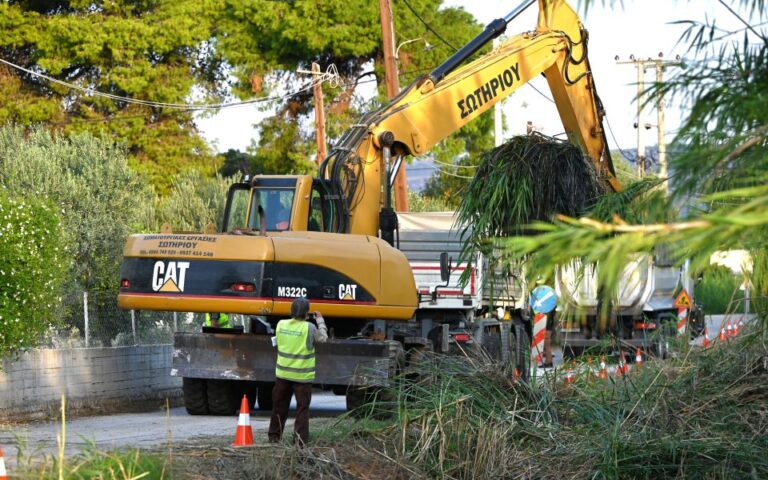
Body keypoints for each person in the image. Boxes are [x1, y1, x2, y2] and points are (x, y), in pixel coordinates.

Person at [268, 298, 327, 446]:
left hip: (282, 375)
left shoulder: (281, 324)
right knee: (302, 410)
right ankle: (300, 443)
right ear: (307, 314)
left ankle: (274, 438)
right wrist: (320, 321)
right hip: (302, 376)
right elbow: (323, 339)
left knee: (279, 407)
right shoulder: (309, 327)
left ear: (291, 311)